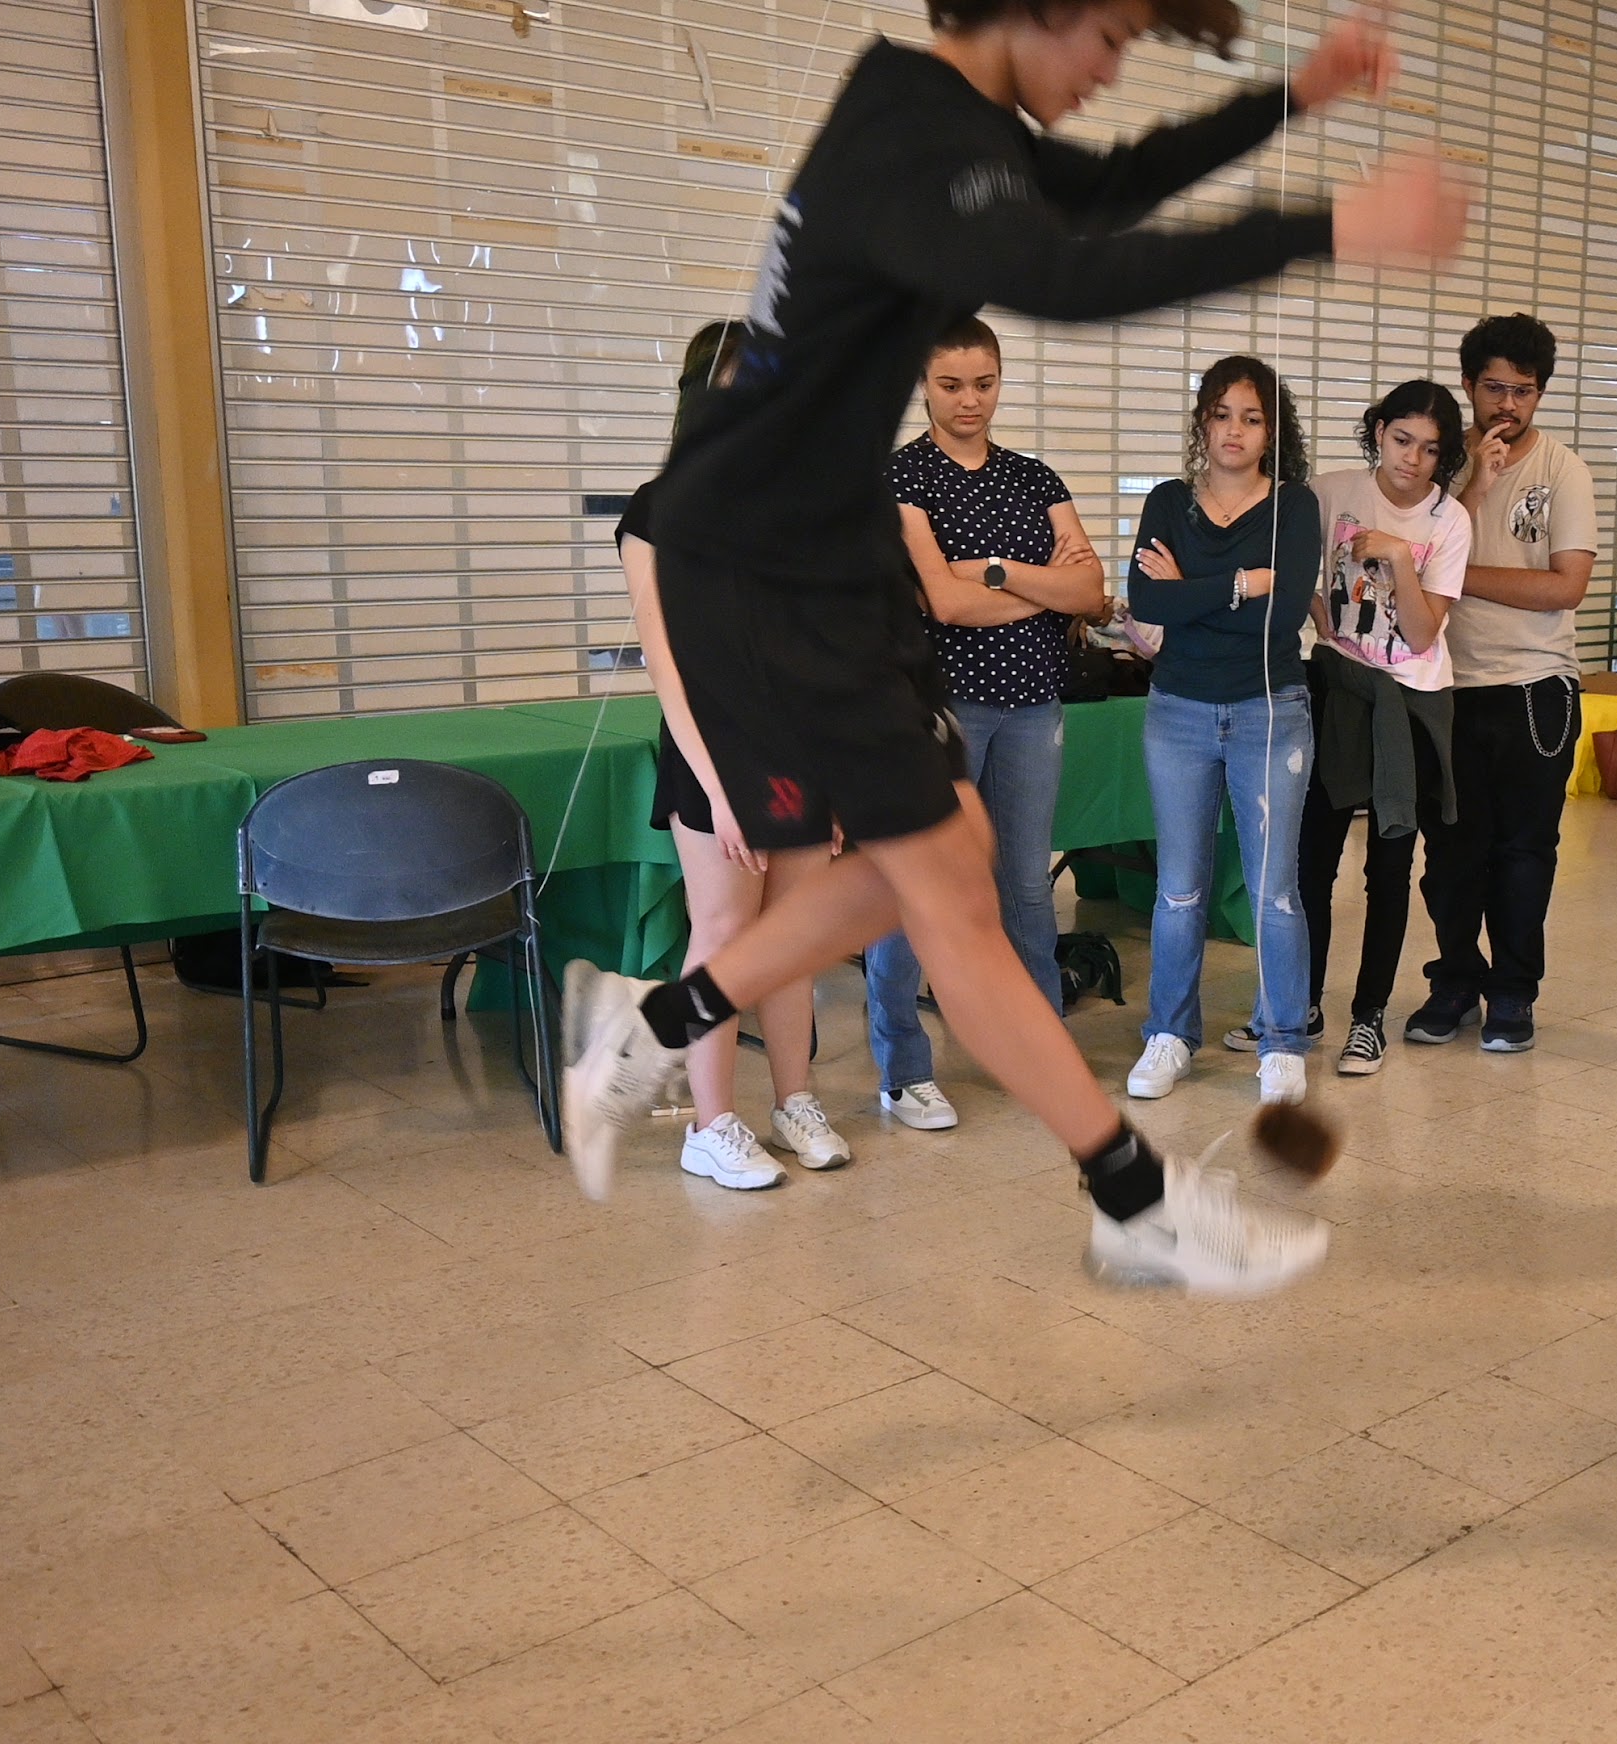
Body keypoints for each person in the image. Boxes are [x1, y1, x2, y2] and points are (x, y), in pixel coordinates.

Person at [557, 0, 1466, 1302]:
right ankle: (1134, 1201)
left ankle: (647, 1027)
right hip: (761, 555)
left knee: (942, 867)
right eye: (1104, 40)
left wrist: (1295, 97)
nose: (1107, 74)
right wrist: (1334, 225)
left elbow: (1107, 189)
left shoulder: (957, 129)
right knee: (952, 898)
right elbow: (1072, 276)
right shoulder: (911, 136)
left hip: (822, 553)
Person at [611, 323, 855, 1192]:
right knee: (721, 937)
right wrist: (715, 788)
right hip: (712, 755)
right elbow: (666, 667)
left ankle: (795, 1101)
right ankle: (710, 1126)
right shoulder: (657, 509)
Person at [857, 317, 1104, 1133]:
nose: (969, 401)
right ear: (922, 386)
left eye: (984, 383)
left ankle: (1041, 1048)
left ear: (1001, 381)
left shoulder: (1034, 477)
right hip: (940, 707)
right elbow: (946, 603)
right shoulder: (901, 479)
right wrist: (1042, 586)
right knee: (919, 889)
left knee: (1027, 885)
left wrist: (996, 570)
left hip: (1035, 701)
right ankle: (904, 1068)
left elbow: (1092, 593)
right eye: (950, 384)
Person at [1122, 355, 1322, 1106]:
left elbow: (1292, 606)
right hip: (1177, 712)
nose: (1234, 430)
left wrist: (1190, 594)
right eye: (1221, 413)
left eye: (1252, 417)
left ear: (1272, 431)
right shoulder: (1170, 502)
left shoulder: (1294, 506)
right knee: (1178, 891)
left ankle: (1281, 1043)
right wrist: (1243, 583)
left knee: (1275, 892)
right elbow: (1146, 598)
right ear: (1202, 419)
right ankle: (1168, 1034)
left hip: (1271, 712)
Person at [1405, 313, 1599, 1055]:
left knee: (1524, 853)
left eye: (1523, 391)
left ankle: (1514, 992)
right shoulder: (1440, 468)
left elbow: (1565, 588)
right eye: (1494, 389)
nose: (1507, 407)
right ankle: (1455, 981)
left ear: (1541, 394)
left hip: (1533, 688)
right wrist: (1470, 491)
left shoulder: (1562, 471)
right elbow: (1409, 562)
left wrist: (1451, 576)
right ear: (1468, 387)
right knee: (1451, 852)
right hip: (1443, 685)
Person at [1297, 380, 1472, 1076]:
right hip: (1341, 689)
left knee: (1391, 866)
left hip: (1413, 701)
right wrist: (1318, 616)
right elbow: (1289, 571)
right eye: (1402, 440)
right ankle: (1301, 1005)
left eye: (1431, 450)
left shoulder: (1449, 522)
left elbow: (1426, 634)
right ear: (1378, 433)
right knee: (1313, 856)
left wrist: (1399, 557)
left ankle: (1367, 1018)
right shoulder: (1329, 490)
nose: (1412, 459)